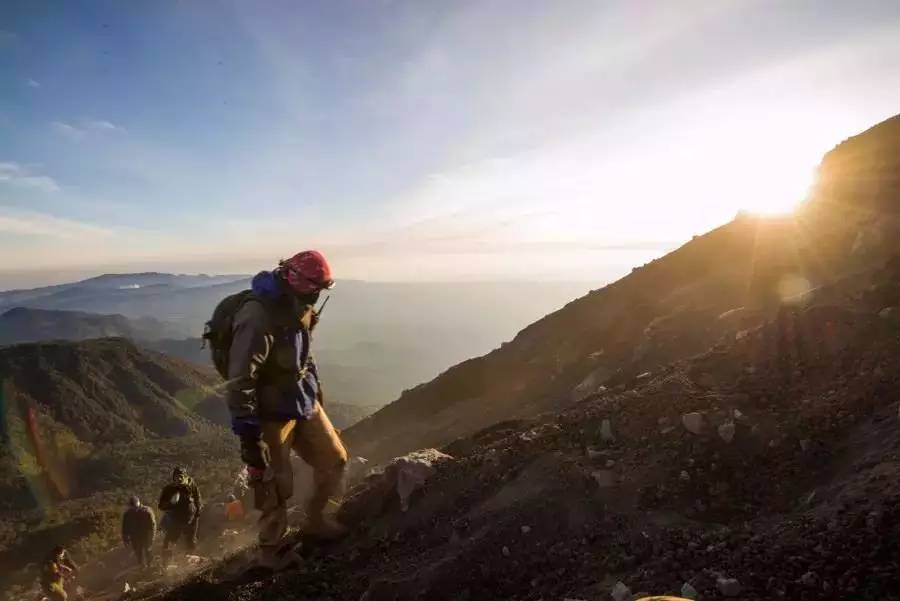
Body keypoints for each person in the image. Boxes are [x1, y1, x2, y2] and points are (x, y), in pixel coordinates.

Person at [225, 250, 349, 570]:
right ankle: (272, 550)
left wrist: (316, 391)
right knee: (274, 484)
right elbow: (240, 378)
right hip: (269, 411)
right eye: (315, 288)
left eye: (321, 289)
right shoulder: (258, 315)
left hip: (302, 398)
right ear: (295, 280)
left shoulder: (302, 305)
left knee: (334, 459)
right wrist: (249, 436)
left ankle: (315, 519)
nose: (318, 294)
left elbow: (305, 354)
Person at [157, 466, 202, 562]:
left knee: (190, 540)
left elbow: (197, 497)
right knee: (169, 541)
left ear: (185, 477)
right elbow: (161, 505)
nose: (179, 479)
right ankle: (166, 563)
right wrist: (171, 503)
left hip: (190, 517)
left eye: (181, 476)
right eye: (177, 477)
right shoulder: (169, 489)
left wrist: (198, 511)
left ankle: (191, 561)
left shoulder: (191, 483)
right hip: (177, 519)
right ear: (174, 478)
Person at [121, 496, 156, 568]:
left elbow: (152, 525)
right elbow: (125, 527)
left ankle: (150, 565)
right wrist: (125, 538)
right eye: (132, 506)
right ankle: (141, 565)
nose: (134, 508)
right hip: (135, 536)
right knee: (138, 551)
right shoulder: (127, 514)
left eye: (135, 506)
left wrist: (152, 537)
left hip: (145, 535)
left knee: (148, 550)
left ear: (138, 503)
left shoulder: (147, 511)